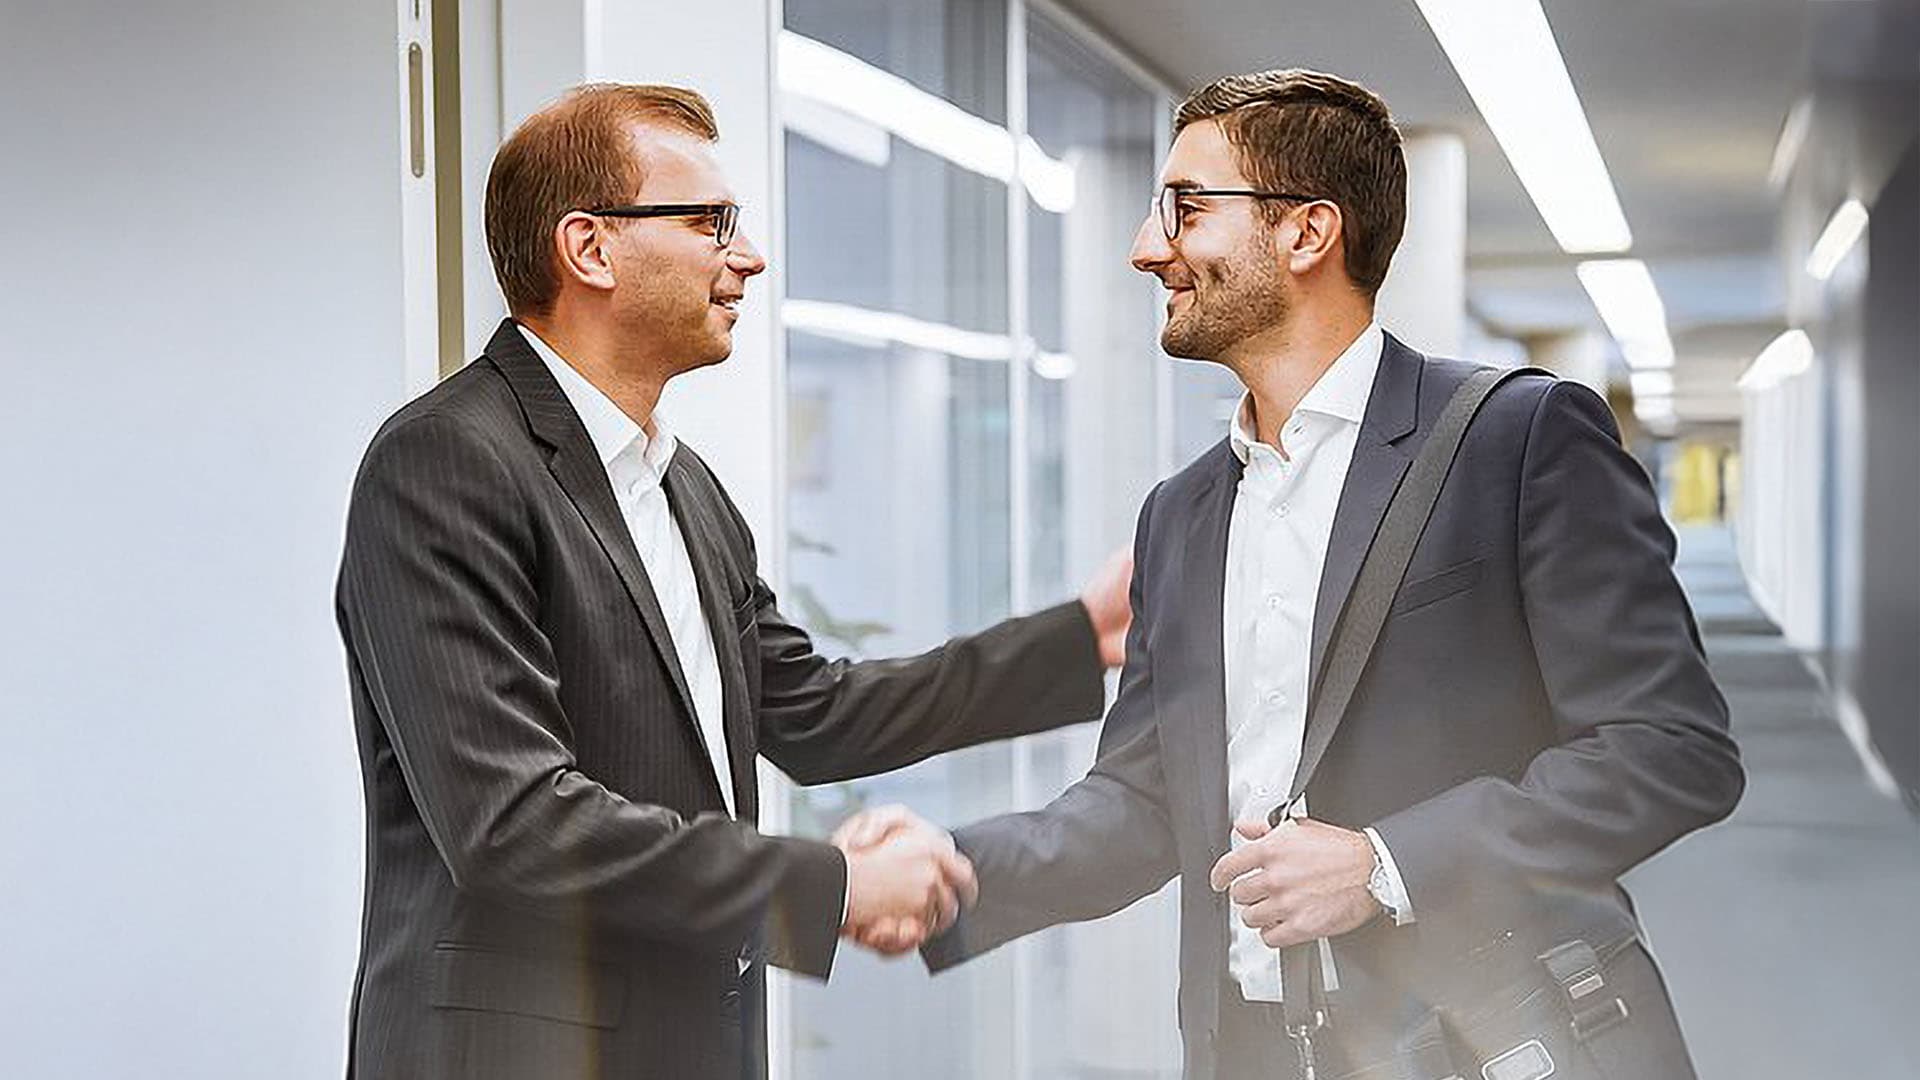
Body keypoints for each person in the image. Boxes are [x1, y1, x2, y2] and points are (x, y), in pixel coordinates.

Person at [846, 69, 1744, 1079]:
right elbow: (1145, 800)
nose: (1149, 248)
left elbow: (1671, 749)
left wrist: (1385, 864)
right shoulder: (1183, 515)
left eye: (1184, 208)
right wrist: (951, 869)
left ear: (1307, 233)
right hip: (1254, 1048)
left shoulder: (1520, 439)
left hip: (1476, 1040)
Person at [333, 83, 1132, 1080]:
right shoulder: (445, 465)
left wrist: (1081, 637)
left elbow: (813, 710)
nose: (746, 256)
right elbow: (514, 823)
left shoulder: (681, 485)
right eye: (713, 222)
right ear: (592, 249)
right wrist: (831, 887)